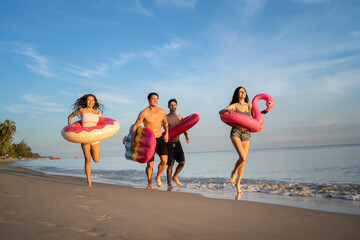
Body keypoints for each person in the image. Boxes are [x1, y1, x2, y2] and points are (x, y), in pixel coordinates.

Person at [219, 86, 257, 199]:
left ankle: (238, 184)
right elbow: (220, 111)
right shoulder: (234, 105)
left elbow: (256, 119)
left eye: (244, 91)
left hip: (246, 133)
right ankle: (233, 172)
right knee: (242, 157)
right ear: (237, 94)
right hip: (236, 132)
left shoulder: (250, 106)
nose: (243, 93)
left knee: (243, 160)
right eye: (241, 92)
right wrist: (227, 110)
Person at [131, 92, 169, 189]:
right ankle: (149, 182)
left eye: (157, 98)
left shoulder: (162, 112)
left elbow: (165, 123)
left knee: (164, 161)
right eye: (153, 98)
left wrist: (167, 133)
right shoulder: (144, 113)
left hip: (160, 138)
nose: (155, 100)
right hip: (150, 141)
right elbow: (136, 126)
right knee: (150, 164)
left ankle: (158, 177)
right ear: (148, 100)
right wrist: (133, 141)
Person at [67, 94, 104, 187]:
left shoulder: (97, 112)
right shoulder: (81, 110)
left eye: (93, 100)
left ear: (95, 102)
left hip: (95, 138)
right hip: (85, 138)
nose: (91, 102)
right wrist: (70, 127)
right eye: (89, 100)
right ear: (85, 101)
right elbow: (70, 117)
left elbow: (102, 123)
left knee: (96, 159)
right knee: (88, 159)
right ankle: (89, 181)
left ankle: (91, 150)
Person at [166, 99, 189, 191]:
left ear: (177, 106)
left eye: (174, 105)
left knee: (182, 162)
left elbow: (183, 127)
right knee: (170, 165)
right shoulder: (165, 118)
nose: (173, 106)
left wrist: (186, 136)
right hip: (169, 143)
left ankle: (175, 176)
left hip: (177, 142)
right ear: (168, 106)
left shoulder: (180, 117)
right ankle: (169, 183)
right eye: (171, 105)